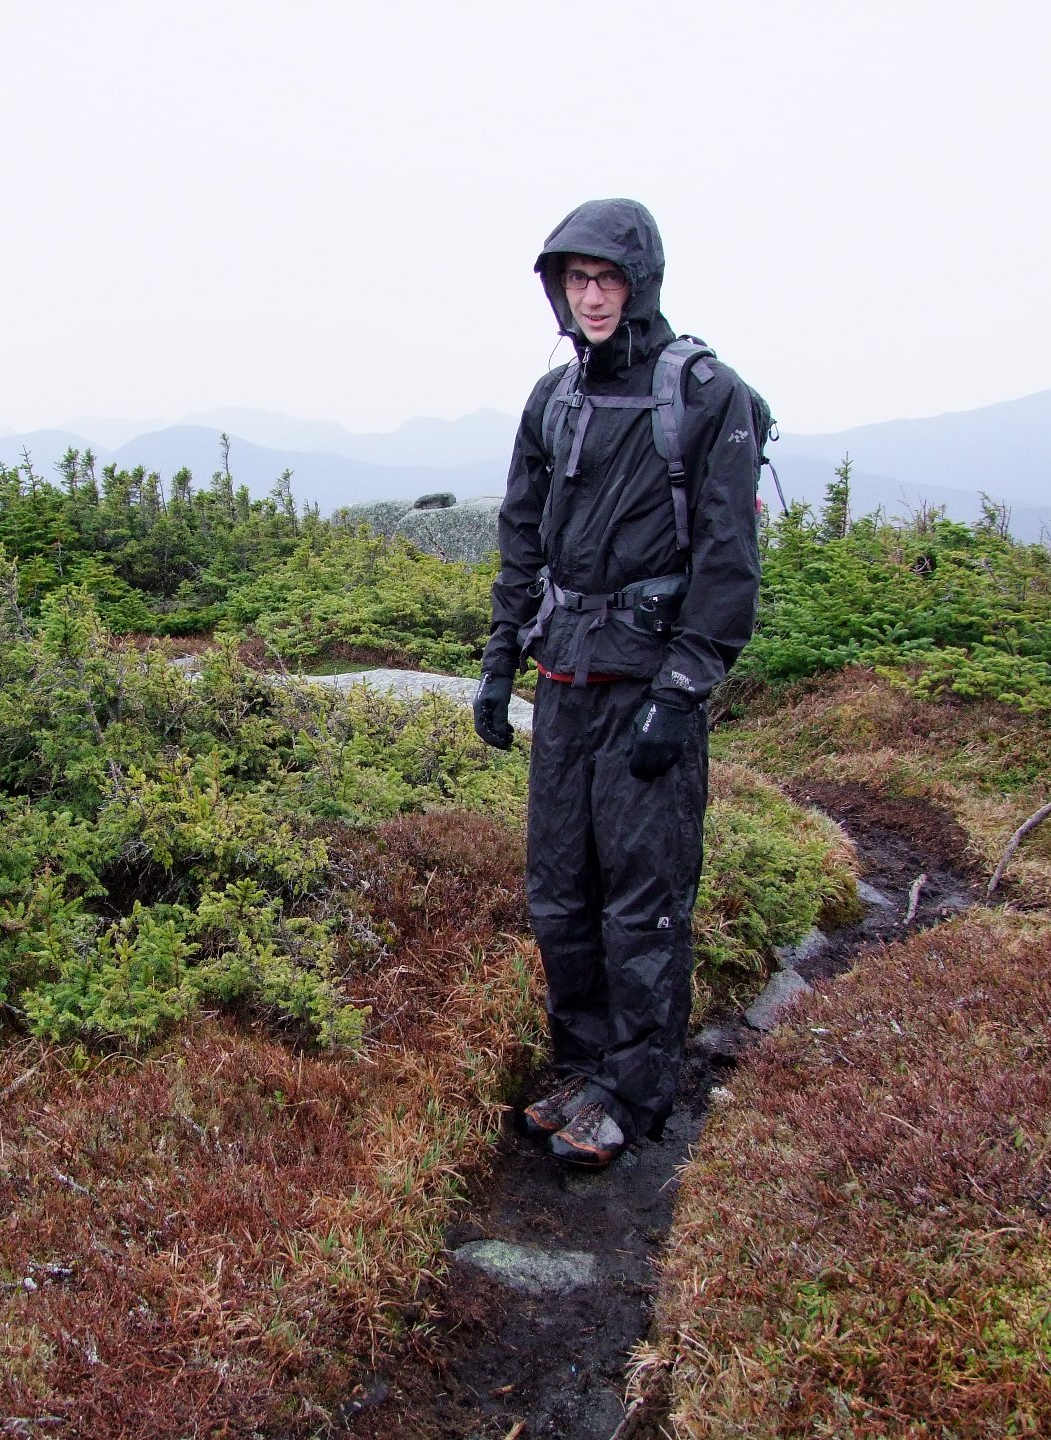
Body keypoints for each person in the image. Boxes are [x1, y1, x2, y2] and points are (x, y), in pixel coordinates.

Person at [471, 198, 762, 1167]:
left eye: (607, 279)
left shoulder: (705, 395)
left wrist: (680, 692)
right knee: (560, 893)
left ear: (641, 284)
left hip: (646, 687)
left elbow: (728, 561)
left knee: (642, 902)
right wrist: (499, 660)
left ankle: (633, 1097)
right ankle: (583, 1070)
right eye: (576, 280)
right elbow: (522, 537)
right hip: (564, 679)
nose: (591, 297)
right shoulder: (553, 399)